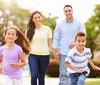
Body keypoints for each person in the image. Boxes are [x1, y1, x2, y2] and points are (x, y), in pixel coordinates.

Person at [52, 5, 86, 85]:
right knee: (63, 74)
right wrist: (54, 52)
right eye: (66, 11)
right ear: (64, 13)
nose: (68, 12)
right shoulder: (59, 24)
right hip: (64, 53)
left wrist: (75, 44)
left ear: (72, 11)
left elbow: (83, 37)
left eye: (69, 10)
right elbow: (56, 38)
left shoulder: (79, 24)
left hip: (76, 54)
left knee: (76, 74)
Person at [25, 11, 52, 85]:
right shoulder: (29, 30)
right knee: (34, 75)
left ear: (41, 18)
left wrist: (55, 52)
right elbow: (27, 44)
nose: (37, 19)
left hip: (45, 56)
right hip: (33, 56)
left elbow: (50, 43)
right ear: (32, 20)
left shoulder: (47, 29)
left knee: (41, 77)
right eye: (35, 18)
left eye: (38, 17)